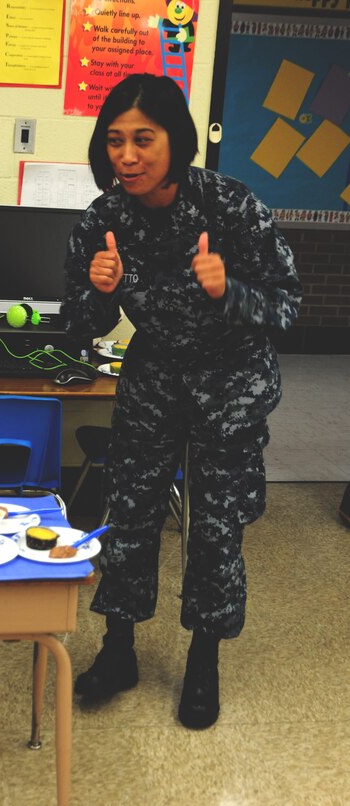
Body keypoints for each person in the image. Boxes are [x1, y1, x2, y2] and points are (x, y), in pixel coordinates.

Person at [61, 74, 301, 729]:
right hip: (154, 383)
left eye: (144, 139)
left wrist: (230, 291)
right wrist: (98, 292)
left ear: (178, 141)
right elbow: (76, 322)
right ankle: (118, 651)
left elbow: (287, 305)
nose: (127, 156)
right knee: (130, 518)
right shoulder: (104, 218)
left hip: (231, 385)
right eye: (115, 141)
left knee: (215, 534)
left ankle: (204, 659)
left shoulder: (230, 206)